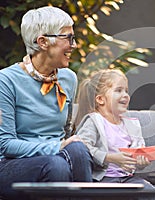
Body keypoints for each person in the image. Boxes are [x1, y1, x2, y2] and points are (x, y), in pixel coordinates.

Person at [0, 6, 93, 200]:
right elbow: (5, 144)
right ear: (42, 42)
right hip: (12, 165)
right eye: (67, 38)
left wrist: (64, 146)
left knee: (77, 149)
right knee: (57, 164)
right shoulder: (6, 80)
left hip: (58, 158)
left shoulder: (68, 78)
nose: (73, 45)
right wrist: (56, 147)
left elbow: (67, 132)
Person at [74, 69, 155, 192]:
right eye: (118, 90)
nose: (125, 95)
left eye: (126, 91)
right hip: (104, 179)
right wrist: (109, 157)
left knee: (149, 191)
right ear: (100, 99)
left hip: (127, 178)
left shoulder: (132, 124)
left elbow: (138, 153)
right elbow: (81, 149)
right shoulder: (94, 121)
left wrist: (141, 162)